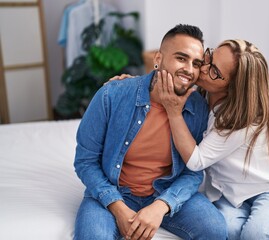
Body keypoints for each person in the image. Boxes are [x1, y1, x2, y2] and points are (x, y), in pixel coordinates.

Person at [73, 24, 227, 240]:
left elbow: (193, 171)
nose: (189, 69)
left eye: (196, 63)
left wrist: (162, 205)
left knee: (216, 229)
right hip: (115, 190)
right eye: (181, 58)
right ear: (158, 58)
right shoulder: (112, 95)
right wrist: (117, 207)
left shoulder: (198, 107)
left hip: (165, 190)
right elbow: (85, 161)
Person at [154, 39, 269, 240]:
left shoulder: (241, 120)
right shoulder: (204, 94)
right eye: (210, 55)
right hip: (233, 192)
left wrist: (174, 113)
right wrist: (129, 84)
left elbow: (196, 161)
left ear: (232, 88)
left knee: (255, 235)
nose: (204, 66)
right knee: (227, 230)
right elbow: (161, 83)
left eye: (214, 70)